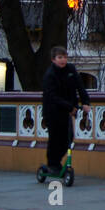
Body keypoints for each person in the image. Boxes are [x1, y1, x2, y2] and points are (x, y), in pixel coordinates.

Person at [41, 47, 90, 177]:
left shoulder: (71, 70)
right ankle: (52, 163)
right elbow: (52, 96)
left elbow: (80, 86)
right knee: (55, 138)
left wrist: (85, 102)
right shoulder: (50, 75)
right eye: (60, 57)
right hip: (53, 111)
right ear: (53, 59)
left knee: (68, 137)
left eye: (64, 57)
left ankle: (56, 162)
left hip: (68, 110)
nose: (63, 60)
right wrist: (69, 107)